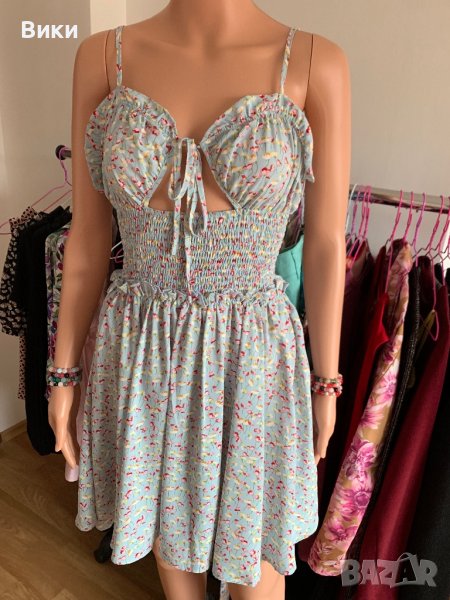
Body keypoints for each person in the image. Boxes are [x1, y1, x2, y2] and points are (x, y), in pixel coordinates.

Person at [48, 2, 351, 599]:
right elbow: (87, 235)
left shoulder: (315, 61)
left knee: (255, 570)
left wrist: (326, 381)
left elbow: (323, 244)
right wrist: (63, 373)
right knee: (170, 546)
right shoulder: (102, 57)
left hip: (252, 356)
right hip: (140, 350)